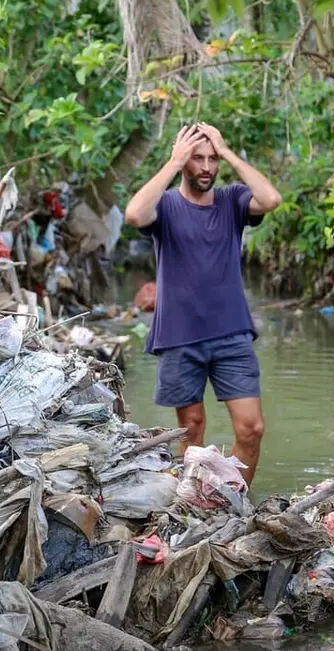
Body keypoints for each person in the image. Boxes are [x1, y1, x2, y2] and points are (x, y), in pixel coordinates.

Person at [124, 123, 282, 485]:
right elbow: (134, 214)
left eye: (213, 159)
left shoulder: (233, 200)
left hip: (232, 333)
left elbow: (271, 200)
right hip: (180, 336)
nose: (207, 167)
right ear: (184, 161)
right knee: (192, 429)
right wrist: (173, 162)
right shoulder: (165, 206)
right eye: (198, 158)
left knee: (251, 428)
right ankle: (194, 499)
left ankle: (233, 498)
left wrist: (227, 152)